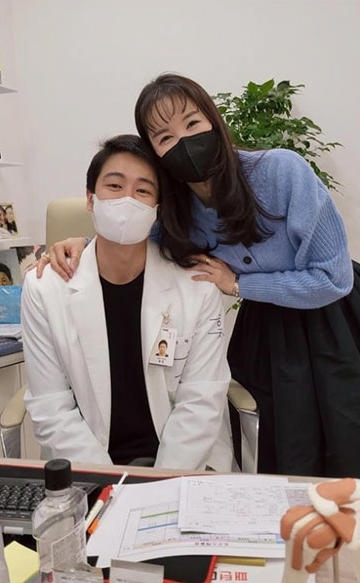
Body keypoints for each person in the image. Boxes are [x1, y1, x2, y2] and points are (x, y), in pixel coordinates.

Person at [41, 74, 360, 485]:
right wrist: (77, 243)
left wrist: (239, 284)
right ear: (156, 153)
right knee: (287, 454)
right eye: (165, 137)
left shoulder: (281, 170)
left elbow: (333, 277)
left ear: (213, 120)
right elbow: (129, 235)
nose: (183, 141)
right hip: (268, 332)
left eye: (192, 124)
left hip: (340, 319)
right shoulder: (177, 212)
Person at [22, 134, 233, 470]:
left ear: (157, 210)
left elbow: (202, 400)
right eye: (115, 186)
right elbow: (51, 407)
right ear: (90, 199)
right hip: (88, 468)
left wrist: (158, 485)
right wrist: (109, 485)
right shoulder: (44, 288)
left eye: (143, 191)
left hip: (181, 466)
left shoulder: (197, 286)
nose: (127, 201)